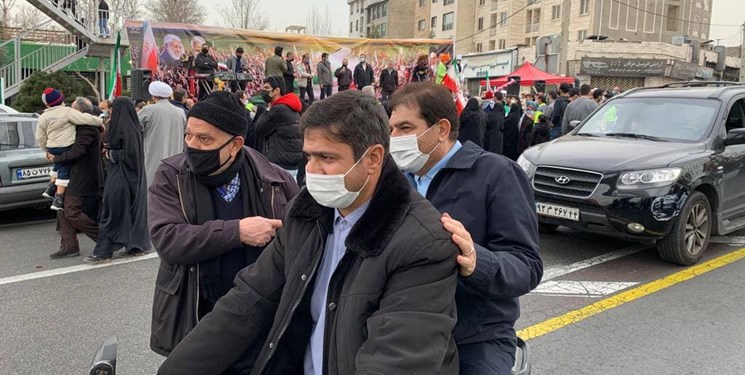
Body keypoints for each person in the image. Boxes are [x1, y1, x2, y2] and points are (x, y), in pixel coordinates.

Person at [157, 89, 459, 375]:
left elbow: (396, 359)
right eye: (309, 157)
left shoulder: (421, 241)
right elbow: (247, 302)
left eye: (327, 158)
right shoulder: (305, 214)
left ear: (373, 158)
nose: (312, 171)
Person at [388, 82, 542, 375]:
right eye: (392, 129)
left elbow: (527, 266)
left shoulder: (497, 174)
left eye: (405, 128)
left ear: (442, 129)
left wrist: (476, 261)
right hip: (404, 330)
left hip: (474, 336)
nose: (395, 138)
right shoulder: (394, 182)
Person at [147, 90, 299, 360]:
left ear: (235, 144)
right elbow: (168, 240)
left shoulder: (275, 179)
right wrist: (237, 231)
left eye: (205, 139)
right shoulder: (172, 176)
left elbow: (301, 239)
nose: (193, 145)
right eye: (189, 135)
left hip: (260, 318)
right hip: (197, 315)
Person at [84, 97, 151, 263]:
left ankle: (103, 251)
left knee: (112, 211)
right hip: (133, 177)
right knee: (131, 211)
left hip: (121, 176)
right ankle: (135, 246)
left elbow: (129, 154)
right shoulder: (132, 127)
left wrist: (110, 154)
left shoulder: (122, 128)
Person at [49, 97, 104, 259]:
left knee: (72, 211)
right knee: (61, 208)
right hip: (72, 175)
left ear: (79, 111)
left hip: (83, 176)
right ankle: (69, 245)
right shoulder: (77, 126)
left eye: (72, 110)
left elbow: (77, 152)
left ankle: (104, 239)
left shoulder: (87, 128)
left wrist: (56, 158)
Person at [36, 87, 102, 211]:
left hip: (51, 146)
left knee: (57, 167)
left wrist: (46, 150)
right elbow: (86, 118)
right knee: (63, 170)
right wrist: (99, 121)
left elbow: (40, 136)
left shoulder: (43, 116)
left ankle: (51, 186)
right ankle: (58, 197)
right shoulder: (67, 112)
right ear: (61, 100)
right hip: (65, 146)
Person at [253, 76, 304, 180]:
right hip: (289, 162)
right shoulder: (288, 107)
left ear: (276, 90)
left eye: (266, 88)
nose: (263, 91)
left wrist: (267, 108)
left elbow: (258, 130)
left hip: (281, 165)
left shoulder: (278, 109)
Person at [138, 81, 187, 186]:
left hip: (153, 160)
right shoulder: (180, 112)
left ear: (153, 96)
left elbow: (135, 126)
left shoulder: (148, 110)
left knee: (151, 191)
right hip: (175, 161)